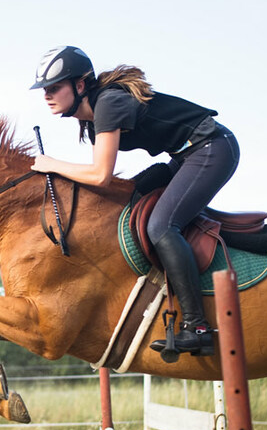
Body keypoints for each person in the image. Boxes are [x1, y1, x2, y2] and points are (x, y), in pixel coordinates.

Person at [29, 45, 240, 359]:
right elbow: (103, 182)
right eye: (45, 89)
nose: (47, 95)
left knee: (162, 227)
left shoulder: (108, 104)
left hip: (211, 148)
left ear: (80, 85)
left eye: (54, 87)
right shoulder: (90, 120)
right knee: (128, 198)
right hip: (185, 155)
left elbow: (100, 175)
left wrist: (52, 164)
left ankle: (197, 327)